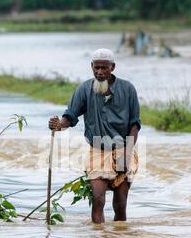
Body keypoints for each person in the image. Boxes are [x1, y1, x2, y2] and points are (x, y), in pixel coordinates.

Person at [49, 48, 141, 224]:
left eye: (104, 68)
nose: (100, 72)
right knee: (98, 200)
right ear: (91, 66)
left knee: (120, 205)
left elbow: (134, 125)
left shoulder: (128, 89)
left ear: (112, 67)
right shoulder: (84, 89)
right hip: (97, 150)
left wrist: (126, 155)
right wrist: (59, 125)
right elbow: (70, 116)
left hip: (124, 149)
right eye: (96, 68)